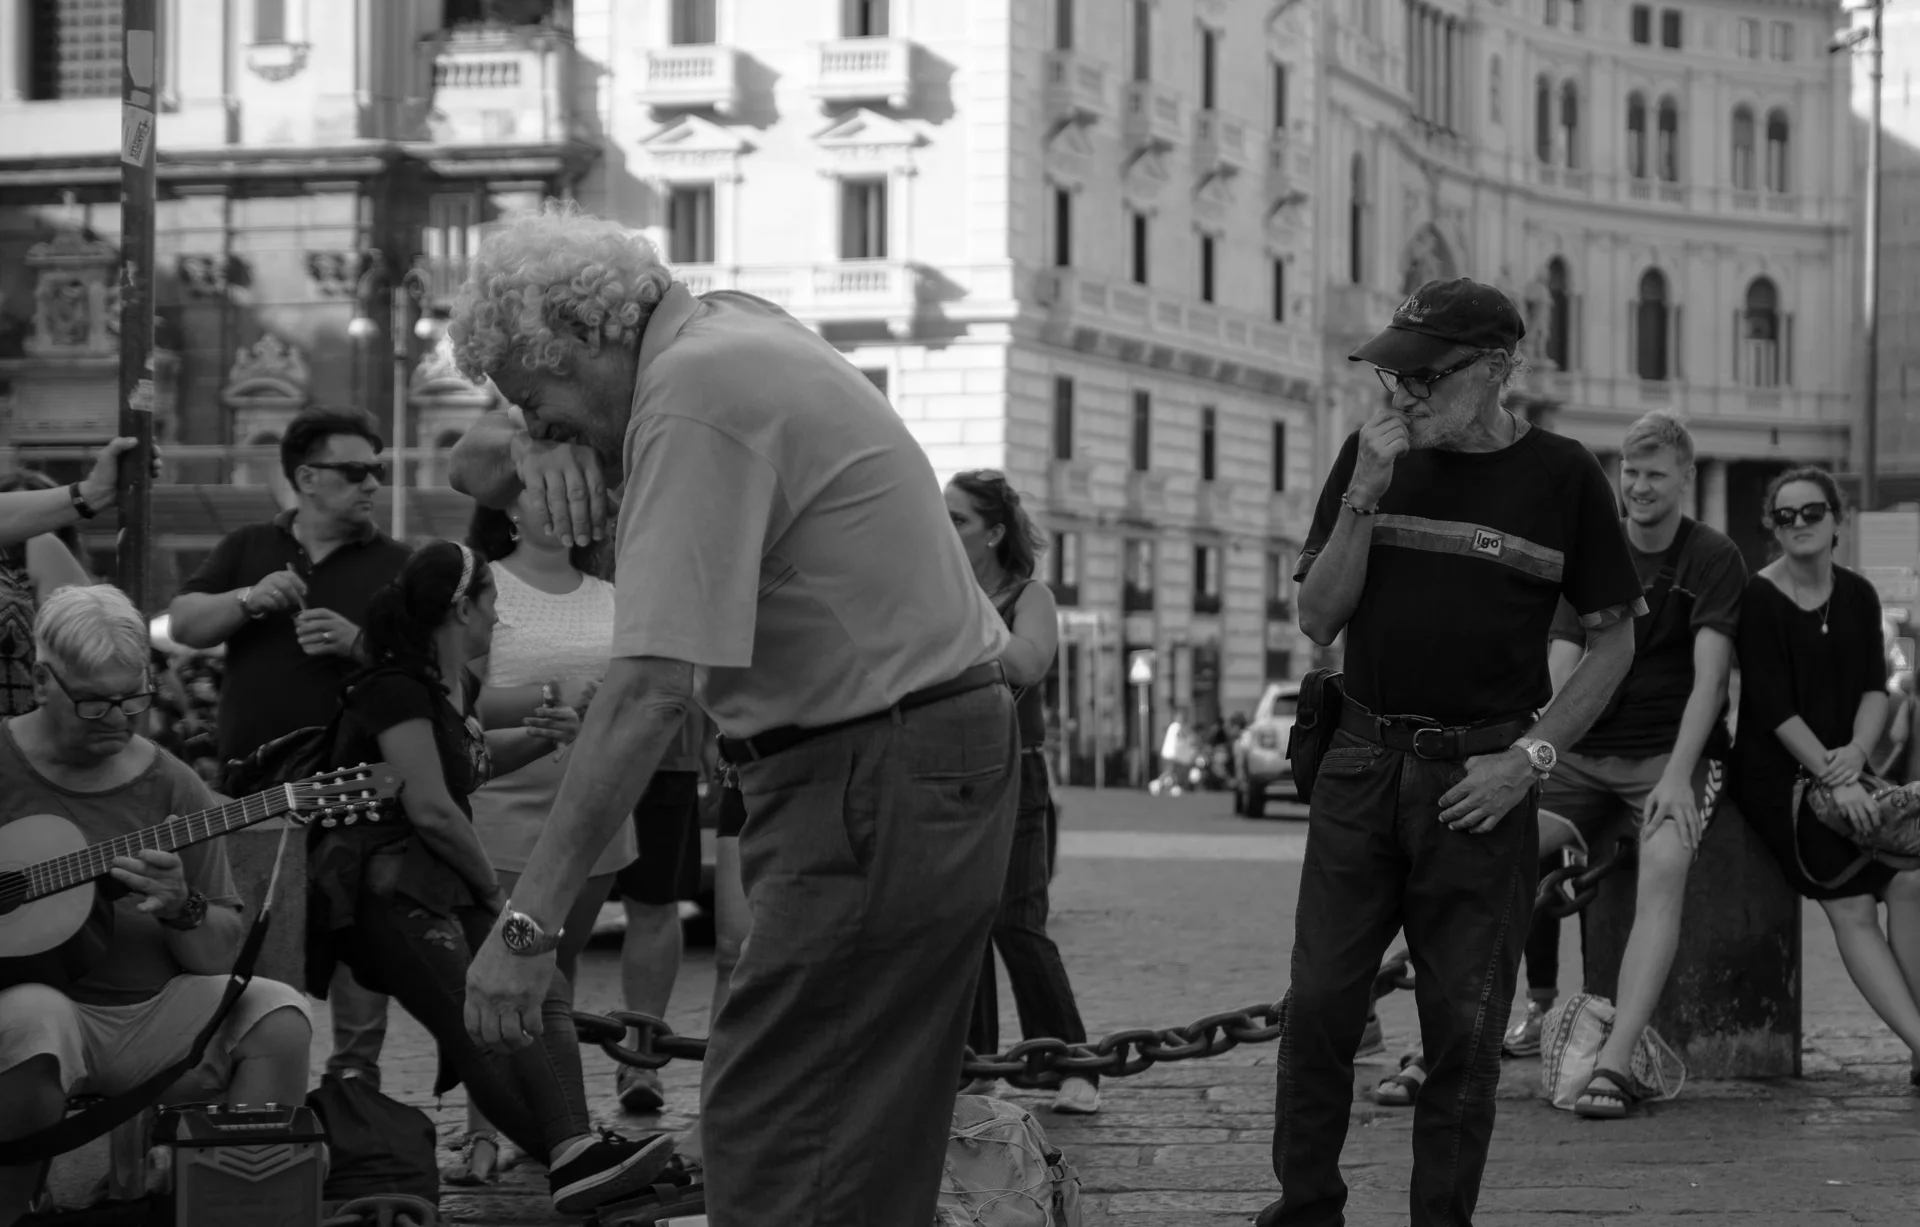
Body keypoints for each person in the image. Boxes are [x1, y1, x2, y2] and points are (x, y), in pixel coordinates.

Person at [446, 202, 1017, 1227]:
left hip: (873, 767)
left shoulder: (692, 400)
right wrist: (533, 441)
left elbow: (646, 693)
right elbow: (468, 465)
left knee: (781, 1133)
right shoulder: (728, 326)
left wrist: (526, 931)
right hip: (902, 754)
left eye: (540, 403)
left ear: (584, 339)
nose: (546, 430)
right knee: (855, 1125)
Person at [1258, 278, 1641, 1227]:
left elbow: (1613, 641)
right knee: (1320, 1007)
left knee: (1463, 1031)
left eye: (1427, 375)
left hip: (1482, 780)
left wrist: (1531, 760)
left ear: (1498, 368)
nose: (1406, 393)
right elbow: (1317, 618)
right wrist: (1362, 497)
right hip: (1359, 760)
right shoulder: (1370, 458)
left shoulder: (1563, 476)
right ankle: (1305, 1212)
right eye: (1395, 374)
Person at [308, 541, 677, 1213]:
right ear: (461, 610)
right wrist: (493, 892)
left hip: (438, 880)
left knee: (541, 983)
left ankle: (575, 1153)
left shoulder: (452, 686)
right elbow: (431, 807)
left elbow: (470, 763)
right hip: (389, 891)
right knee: (478, 1025)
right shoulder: (394, 688)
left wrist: (548, 734)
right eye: (491, 603)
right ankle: (573, 1159)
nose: (499, 616)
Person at [0, 587, 313, 1227]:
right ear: (41, 679)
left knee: (278, 1015)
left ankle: (237, 1210)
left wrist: (182, 906)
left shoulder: (172, 785)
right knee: (34, 1017)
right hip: (28, 1014)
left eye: (133, 698)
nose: (119, 720)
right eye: (95, 702)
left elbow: (219, 953)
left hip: (147, 1015)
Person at [167, 408, 411, 1092]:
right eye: (355, 471)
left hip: (361, 789)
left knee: (359, 934)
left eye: (378, 469)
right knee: (256, 933)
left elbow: (438, 675)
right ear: (306, 477)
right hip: (256, 792)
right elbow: (184, 623)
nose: (372, 483)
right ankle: (260, 1082)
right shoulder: (249, 546)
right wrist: (249, 599)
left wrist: (362, 645)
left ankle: (353, 1084)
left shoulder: (398, 565)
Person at [446, 498, 636, 1184]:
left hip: (593, 798)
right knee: (496, 968)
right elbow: (458, 695)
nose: (560, 508)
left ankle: (551, 1121)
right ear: (510, 511)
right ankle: (482, 1127)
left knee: (559, 967)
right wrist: (549, 696)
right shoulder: (486, 584)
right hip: (502, 798)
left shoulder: (613, 593)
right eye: (542, 495)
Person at [1733, 467, 1920, 1087]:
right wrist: (1833, 777)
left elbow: (1875, 689)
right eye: (1785, 516)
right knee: (1853, 906)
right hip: (1779, 780)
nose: (1799, 524)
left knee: (1911, 885)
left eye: (1812, 512)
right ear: (1773, 526)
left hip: (1847, 765)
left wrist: (1856, 757)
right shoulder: (1759, 598)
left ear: (1837, 520)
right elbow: (1774, 709)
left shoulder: (1859, 594)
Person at [947, 469, 1100, 1116]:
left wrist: (970, 611)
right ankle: (974, 1063)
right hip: (950, 772)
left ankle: (1073, 1063)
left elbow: (1030, 662)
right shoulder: (940, 592)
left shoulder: (1027, 595)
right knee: (961, 920)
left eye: (958, 519)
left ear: (993, 532)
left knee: (1016, 918)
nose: (944, 530)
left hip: (1016, 769)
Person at [610, 705, 710, 1116]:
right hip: (554, 751)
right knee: (550, 916)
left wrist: (712, 743)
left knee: (653, 905)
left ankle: (641, 1060)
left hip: (663, 750)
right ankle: (543, 1072)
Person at [0, 472, 92, 716]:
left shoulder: (47, 554)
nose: (26, 527)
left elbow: (92, 668)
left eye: (39, 516)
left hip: (27, 728)